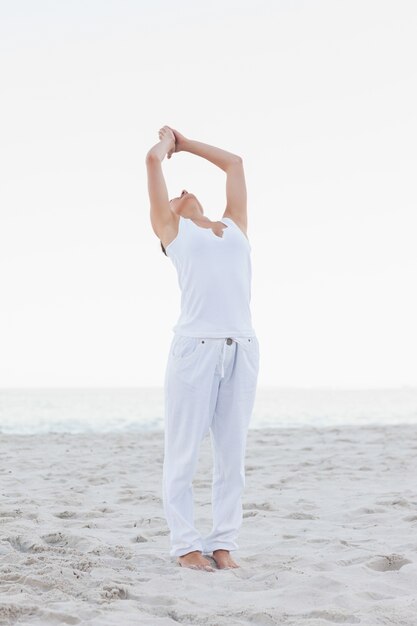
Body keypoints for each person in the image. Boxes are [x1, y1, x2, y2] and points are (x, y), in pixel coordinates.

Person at [145, 126, 260, 572]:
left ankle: (223, 543)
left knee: (232, 456)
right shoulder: (174, 233)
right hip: (195, 351)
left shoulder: (235, 225)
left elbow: (235, 164)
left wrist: (187, 142)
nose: (182, 191)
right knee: (184, 454)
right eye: (174, 196)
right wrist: (166, 144)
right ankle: (186, 546)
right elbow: (153, 164)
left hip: (243, 349)